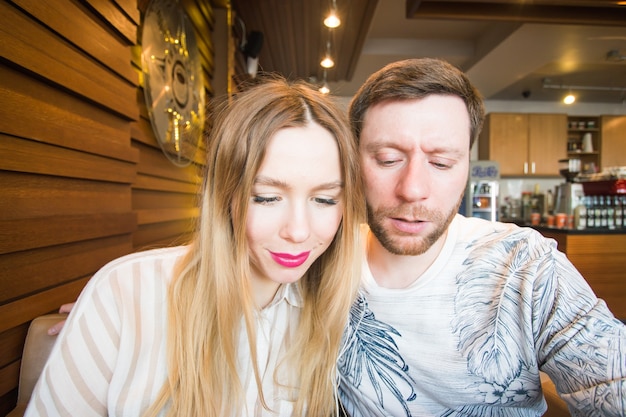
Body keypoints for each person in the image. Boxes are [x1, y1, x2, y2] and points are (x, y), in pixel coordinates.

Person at [26, 78, 365, 417]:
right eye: (266, 198)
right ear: (224, 195)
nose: (298, 231)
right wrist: (112, 307)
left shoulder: (334, 312)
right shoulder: (126, 293)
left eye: (324, 199)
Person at [336, 57, 626, 416]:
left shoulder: (523, 264)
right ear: (353, 161)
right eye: (387, 158)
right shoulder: (320, 262)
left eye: (441, 163)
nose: (412, 190)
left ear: (467, 166)